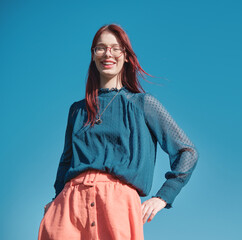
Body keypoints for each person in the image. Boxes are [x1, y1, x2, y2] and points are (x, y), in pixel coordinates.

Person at [38, 23, 199, 240]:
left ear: (125, 56)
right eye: (101, 48)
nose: (108, 53)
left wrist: (163, 197)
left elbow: (187, 152)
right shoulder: (77, 110)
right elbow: (66, 163)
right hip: (68, 207)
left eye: (115, 48)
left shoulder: (143, 104)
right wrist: (56, 200)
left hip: (117, 204)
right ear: (93, 55)